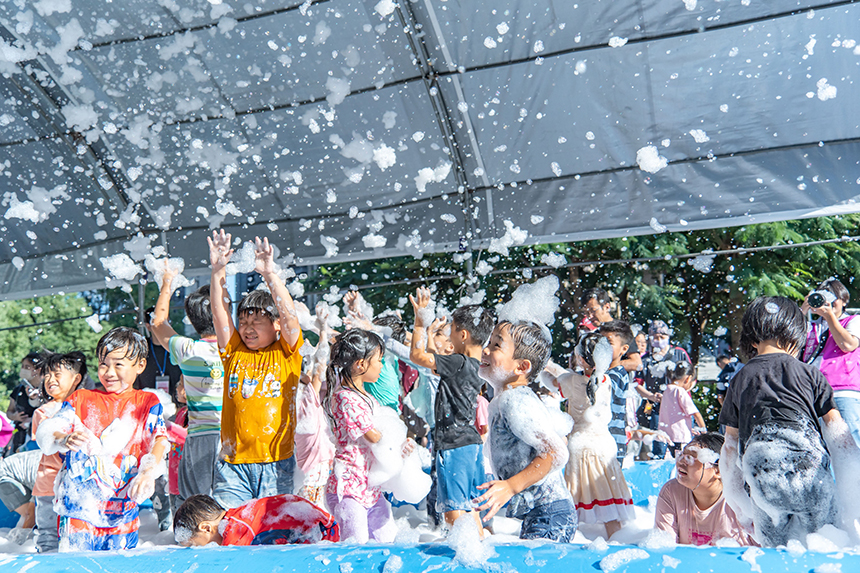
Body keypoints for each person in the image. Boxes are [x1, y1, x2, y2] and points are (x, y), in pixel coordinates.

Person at [719, 296, 854, 547]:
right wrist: (852, 482)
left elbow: (729, 444)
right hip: (810, 477)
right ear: (796, 335)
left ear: (751, 338)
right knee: (826, 547)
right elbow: (840, 435)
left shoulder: (740, 378)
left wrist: (738, 501)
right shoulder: (810, 373)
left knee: (775, 555)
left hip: (764, 482)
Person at [35, 327, 169, 551]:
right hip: (79, 506)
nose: (109, 371)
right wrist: (62, 438)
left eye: (118, 364)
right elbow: (50, 430)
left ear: (140, 366)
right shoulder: (81, 399)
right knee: (76, 564)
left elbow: (160, 440)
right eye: (103, 364)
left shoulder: (147, 402)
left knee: (120, 565)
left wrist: (147, 472)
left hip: (123, 505)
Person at [208, 232, 303, 508]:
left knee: (272, 534)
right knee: (231, 532)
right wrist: (217, 271)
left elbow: (290, 319)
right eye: (244, 320)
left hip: (276, 464)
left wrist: (270, 275)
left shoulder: (287, 353)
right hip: (232, 464)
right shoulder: (234, 353)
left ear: (275, 325)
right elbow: (219, 313)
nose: (248, 328)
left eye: (257, 321)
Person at [475, 320, 577, 542]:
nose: (485, 349)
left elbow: (555, 453)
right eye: (489, 342)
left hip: (550, 514)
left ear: (521, 367)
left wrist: (511, 486)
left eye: (496, 346)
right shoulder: (505, 399)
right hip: (544, 513)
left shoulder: (515, 400)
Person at [409, 287, 495, 528]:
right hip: (472, 444)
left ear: (464, 335)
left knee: (454, 512)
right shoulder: (479, 365)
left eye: (451, 331)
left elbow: (416, 355)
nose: (449, 336)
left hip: (454, 444)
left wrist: (419, 323)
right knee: (473, 508)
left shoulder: (458, 362)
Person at [150, 268, 223, 502]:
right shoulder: (236, 351)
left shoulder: (188, 350)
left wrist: (167, 282)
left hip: (199, 436)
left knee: (196, 504)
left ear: (191, 320)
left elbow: (158, 322)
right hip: (232, 436)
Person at [554, 332, 634, 539]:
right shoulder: (606, 381)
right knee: (610, 507)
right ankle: (617, 544)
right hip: (604, 446)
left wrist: (544, 365)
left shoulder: (571, 381)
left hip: (580, 447)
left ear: (580, 359)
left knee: (573, 506)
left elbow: (552, 383)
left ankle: (568, 550)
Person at [323, 329, 398, 543]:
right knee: (355, 546)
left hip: (369, 486)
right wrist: (392, 440)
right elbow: (373, 437)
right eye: (379, 361)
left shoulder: (367, 398)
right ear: (361, 365)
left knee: (388, 540)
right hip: (348, 486)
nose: (382, 366)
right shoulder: (344, 398)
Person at [30, 351, 88, 552]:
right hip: (48, 484)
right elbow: (48, 434)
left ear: (76, 378)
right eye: (46, 375)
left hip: (78, 484)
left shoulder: (85, 407)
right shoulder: (43, 411)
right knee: (48, 534)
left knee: (76, 535)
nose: (49, 379)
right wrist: (64, 439)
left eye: (56, 374)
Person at [654, 433, 754, 546]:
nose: (681, 461)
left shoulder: (742, 502)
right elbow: (664, 548)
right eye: (682, 454)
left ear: (719, 470)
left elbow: (763, 553)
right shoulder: (672, 491)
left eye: (690, 457)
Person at [800, 278, 860, 449]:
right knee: (820, 450)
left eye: (832, 297)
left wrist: (829, 316)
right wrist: (803, 309)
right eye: (822, 297)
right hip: (813, 395)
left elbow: (847, 345)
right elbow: (785, 339)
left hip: (843, 392)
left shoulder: (853, 321)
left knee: (851, 446)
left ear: (843, 300)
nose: (828, 302)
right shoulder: (811, 326)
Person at [173, 493, 339, 546]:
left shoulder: (236, 532)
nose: (198, 550)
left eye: (195, 544)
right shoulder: (238, 517)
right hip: (322, 527)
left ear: (206, 528)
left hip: (324, 535)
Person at [635, 320, 690, 459]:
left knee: (680, 447)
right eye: (655, 337)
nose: (658, 340)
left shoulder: (679, 354)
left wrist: (677, 394)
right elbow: (637, 384)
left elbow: (692, 379)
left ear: (668, 337)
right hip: (656, 408)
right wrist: (651, 396)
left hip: (679, 408)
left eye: (662, 337)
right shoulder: (645, 359)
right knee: (658, 445)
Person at [599, 320, 636, 464]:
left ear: (624, 349)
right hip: (604, 440)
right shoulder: (605, 372)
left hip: (613, 442)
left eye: (609, 342)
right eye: (600, 342)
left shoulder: (618, 373)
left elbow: (605, 391)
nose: (603, 347)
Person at [580, 289, 642, 373]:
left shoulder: (621, 330)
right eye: (586, 313)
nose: (590, 316)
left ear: (607, 307)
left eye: (593, 311)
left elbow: (637, 363)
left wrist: (606, 365)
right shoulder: (594, 335)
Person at [658, 362, 706, 457]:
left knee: (674, 461)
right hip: (681, 437)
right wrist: (704, 432)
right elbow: (696, 414)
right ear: (688, 378)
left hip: (668, 435)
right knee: (683, 461)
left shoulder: (667, 390)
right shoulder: (680, 391)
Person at [137, 307, 182, 395]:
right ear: (148, 327)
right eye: (158, 324)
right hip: (146, 402)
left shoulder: (177, 346)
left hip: (175, 403)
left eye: (167, 322)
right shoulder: (141, 348)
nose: (165, 327)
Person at [0, 450, 40, 544]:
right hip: (5, 475)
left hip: (19, 470)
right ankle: (18, 547)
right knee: (30, 515)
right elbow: (31, 513)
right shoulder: (49, 472)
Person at [6, 353, 43, 455]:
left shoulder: (46, 389)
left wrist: (31, 421)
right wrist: (15, 416)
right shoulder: (18, 390)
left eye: (27, 367)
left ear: (38, 370)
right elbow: (9, 411)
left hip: (37, 438)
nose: (23, 370)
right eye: (22, 366)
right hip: (19, 436)